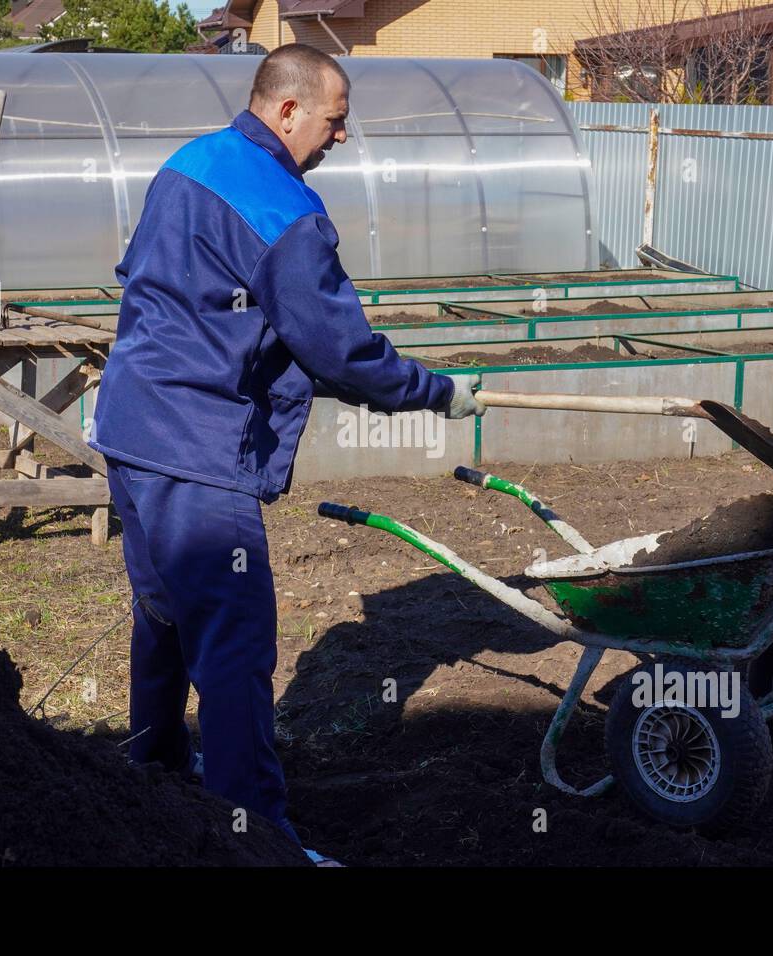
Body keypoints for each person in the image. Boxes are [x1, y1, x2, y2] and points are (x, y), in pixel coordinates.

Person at [89, 43, 485, 866]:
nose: (343, 137)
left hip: (128, 429)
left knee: (162, 616)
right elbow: (340, 350)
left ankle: (153, 767)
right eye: (336, 121)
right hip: (195, 449)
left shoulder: (191, 162)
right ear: (289, 109)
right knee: (233, 648)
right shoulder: (284, 210)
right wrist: (436, 392)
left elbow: (154, 283)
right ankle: (257, 838)